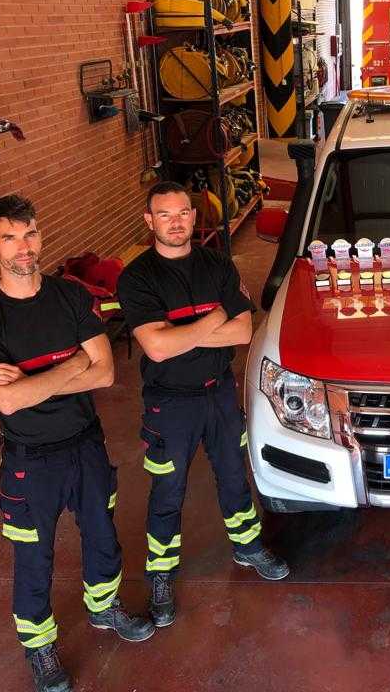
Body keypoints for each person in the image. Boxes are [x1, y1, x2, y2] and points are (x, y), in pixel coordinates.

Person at [0, 195, 154, 692]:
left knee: (101, 533)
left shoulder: (68, 296)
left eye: (29, 235)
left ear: (40, 238)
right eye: (9, 237)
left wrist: (32, 378)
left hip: (85, 444)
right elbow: (8, 403)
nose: (23, 248)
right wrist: (72, 366)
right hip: (31, 459)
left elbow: (106, 371)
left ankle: (104, 606)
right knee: (33, 555)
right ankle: (39, 645)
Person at [117, 181, 289, 629]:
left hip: (218, 394)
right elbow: (155, 349)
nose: (176, 222)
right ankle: (160, 573)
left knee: (234, 474)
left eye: (183, 213)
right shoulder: (137, 278)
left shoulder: (217, 265)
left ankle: (248, 546)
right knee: (167, 492)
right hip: (169, 404)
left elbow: (243, 332)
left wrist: (180, 334)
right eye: (165, 215)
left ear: (195, 217)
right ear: (149, 220)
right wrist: (216, 317)